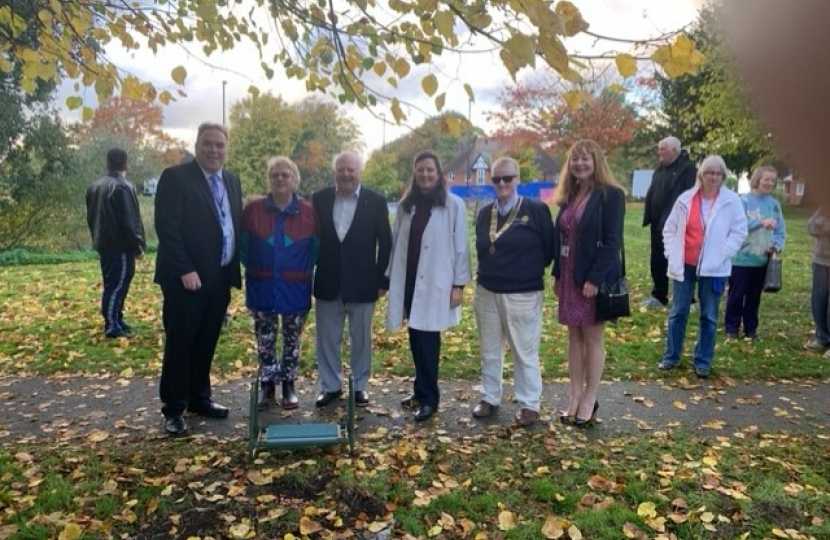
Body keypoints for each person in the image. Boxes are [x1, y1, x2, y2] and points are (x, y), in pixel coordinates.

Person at [154, 122, 243, 436]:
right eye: (208, 144)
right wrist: (184, 269)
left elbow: (232, 224)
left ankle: (199, 398)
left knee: (206, 340)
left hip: (219, 278)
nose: (214, 150)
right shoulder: (176, 178)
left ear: (226, 148)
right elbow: (167, 229)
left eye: (220, 145)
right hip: (186, 279)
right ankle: (174, 408)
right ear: (197, 145)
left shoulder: (232, 181)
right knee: (181, 342)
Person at [386, 151, 471, 422]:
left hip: (437, 281)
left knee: (428, 340)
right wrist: (389, 278)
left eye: (430, 170)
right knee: (415, 336)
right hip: (410, 281)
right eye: (420, 170)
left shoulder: (453, 204)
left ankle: (430, 399)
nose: (425, 175)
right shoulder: (405, 205)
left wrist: (458, 284)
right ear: (415, 173)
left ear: (438, 174)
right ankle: (419, 390)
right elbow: (396, 241)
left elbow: (461, 247)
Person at [471, 157, 554, 427]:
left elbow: (549, 249)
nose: (502, 183)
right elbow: (482, 248)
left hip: (522, 292)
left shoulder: (536, 209)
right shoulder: (484, 213)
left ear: (518, 179)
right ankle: (489, 397)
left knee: (524, 350)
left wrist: (523, 272)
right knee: (490, 349)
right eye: (497, 179)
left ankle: (529, 402)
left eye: (508, 178)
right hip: (487, 290)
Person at [552, 140, 625, 428]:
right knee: (574, 337)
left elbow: (612, 241)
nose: (579, 164)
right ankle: (574, 395)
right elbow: (563, 239)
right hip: (570, 277)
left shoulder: (611, 195)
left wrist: (595, 278)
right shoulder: (571, 195)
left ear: (597, 161)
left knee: (593, 338)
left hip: (592, 278)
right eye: (574, 160)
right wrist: (558, 274)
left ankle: (590, 397)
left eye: (585, 159)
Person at [312, 151, 392, 407]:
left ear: (360, 171)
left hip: (363, 282)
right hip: (328, 281)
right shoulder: (320, 199)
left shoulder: (376, 201)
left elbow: (386, 243)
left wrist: (383, 281)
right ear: (334, 171)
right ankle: (330, 386)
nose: (346, 174)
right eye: (341, 169)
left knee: (362, 340)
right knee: (327, 339)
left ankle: (360, 386)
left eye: (351, 169)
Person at [658, 155, 748, 379]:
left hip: (714, 268)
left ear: (723, 177)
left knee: (708, 315)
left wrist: (722, 253)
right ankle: (671, 356)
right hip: (685, 264)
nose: (713, 177)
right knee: (678, 312)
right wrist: (671, 254)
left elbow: (739, 232)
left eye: (718, 174)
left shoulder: (732, 201)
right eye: (709, 173)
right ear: (701, 174)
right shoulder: (685, 199)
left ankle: (703, 360)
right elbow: (669, 229)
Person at [241, 157, 318, 411]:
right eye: (275, 175)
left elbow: (316, 249)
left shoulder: (308, 212)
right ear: (269, 179)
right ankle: (266, 384)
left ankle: (288, 384)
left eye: (286, 175)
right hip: (262, 285)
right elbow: (243, 248)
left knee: (292, 338)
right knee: (265, 338)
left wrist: (297, 268)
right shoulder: (253, 210)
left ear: (295, 179)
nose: (280, 179)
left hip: (295, 286)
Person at [85, 148, 145, 339]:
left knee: (113, 282)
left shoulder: (95, 186)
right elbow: (128, 221)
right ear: (125, 163)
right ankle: (112, 324)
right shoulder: (122, 187)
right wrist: (137, 245)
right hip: (119, 244)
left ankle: (117, 318)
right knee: (118, 284)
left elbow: (91, 216)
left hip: (103, 242)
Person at [724, 166, 786, 340]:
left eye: (773, 181)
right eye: (766, 179)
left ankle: (751, 329)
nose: (769, 183)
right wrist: (761, 223)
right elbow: (737, 226)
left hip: (761, 259)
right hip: (741, 258)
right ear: (757, 179)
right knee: (736, 295)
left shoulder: (774, 205)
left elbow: (780, 230)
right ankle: (731, 328)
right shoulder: (743, 201)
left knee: (754, 297)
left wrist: (777, 245)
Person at [641, 137, 697, 308]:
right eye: (659, 148)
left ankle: (687, 298)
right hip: (657, 223)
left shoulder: (687, 169)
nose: (659, 152)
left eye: (662, 149)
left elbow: (687, 196)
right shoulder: (660, 168)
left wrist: (674, 219)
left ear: (674, 150)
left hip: (676, 223)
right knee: (657, 258)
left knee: (680, 259)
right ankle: (659, 295)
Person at [804, 207, 830, 356]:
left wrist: (822, 225)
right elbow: (810, 226)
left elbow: (818, 226)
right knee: (818, 300)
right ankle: (822, 338)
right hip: (820, 260)